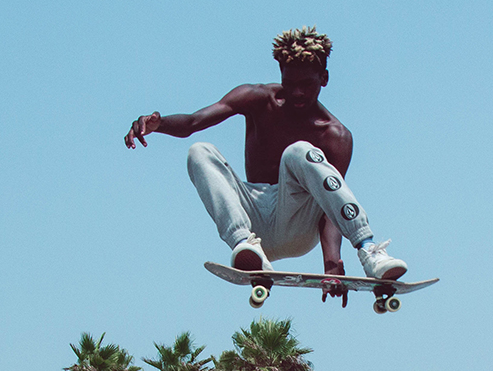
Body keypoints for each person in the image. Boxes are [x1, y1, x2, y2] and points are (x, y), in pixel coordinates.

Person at [124, 26, 408, 288]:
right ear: (281, 74)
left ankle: (369, 251)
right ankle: (245, 248)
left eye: (306, 85)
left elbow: (329, 209)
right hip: (251, 219)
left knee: (299, 151)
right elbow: (193, 122)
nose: (297, 92)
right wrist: (158, 124)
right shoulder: (257, 98)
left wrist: (331, 264)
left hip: (296, 223)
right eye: (290, 83)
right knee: (199, 151)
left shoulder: (335, 135)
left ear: (324, 79)